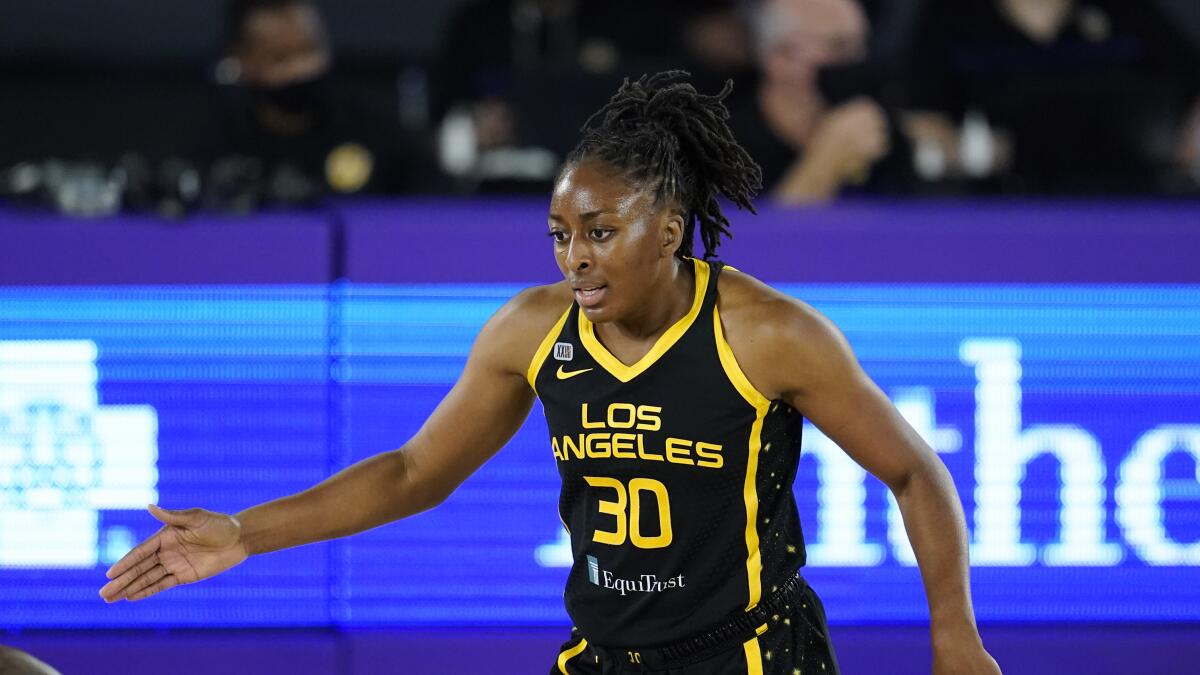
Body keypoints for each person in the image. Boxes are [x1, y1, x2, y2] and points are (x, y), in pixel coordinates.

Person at [99, 72, 1001, 675]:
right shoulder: (532, 330)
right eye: (562, 235)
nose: (576, 257)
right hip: (603, 655)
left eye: (600, 232)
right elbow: (416, 471)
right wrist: (243, 533)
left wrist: (954, 630)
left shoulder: (767, 332)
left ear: (670, 231)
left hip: (752, 653)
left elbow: (912, 471)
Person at [208, 0, 439, 208]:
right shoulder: (216, 139)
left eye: (310, 50)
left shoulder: (371, 125)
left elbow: (432, 203)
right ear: (242, 60)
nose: (302, 69)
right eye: (282, 59)